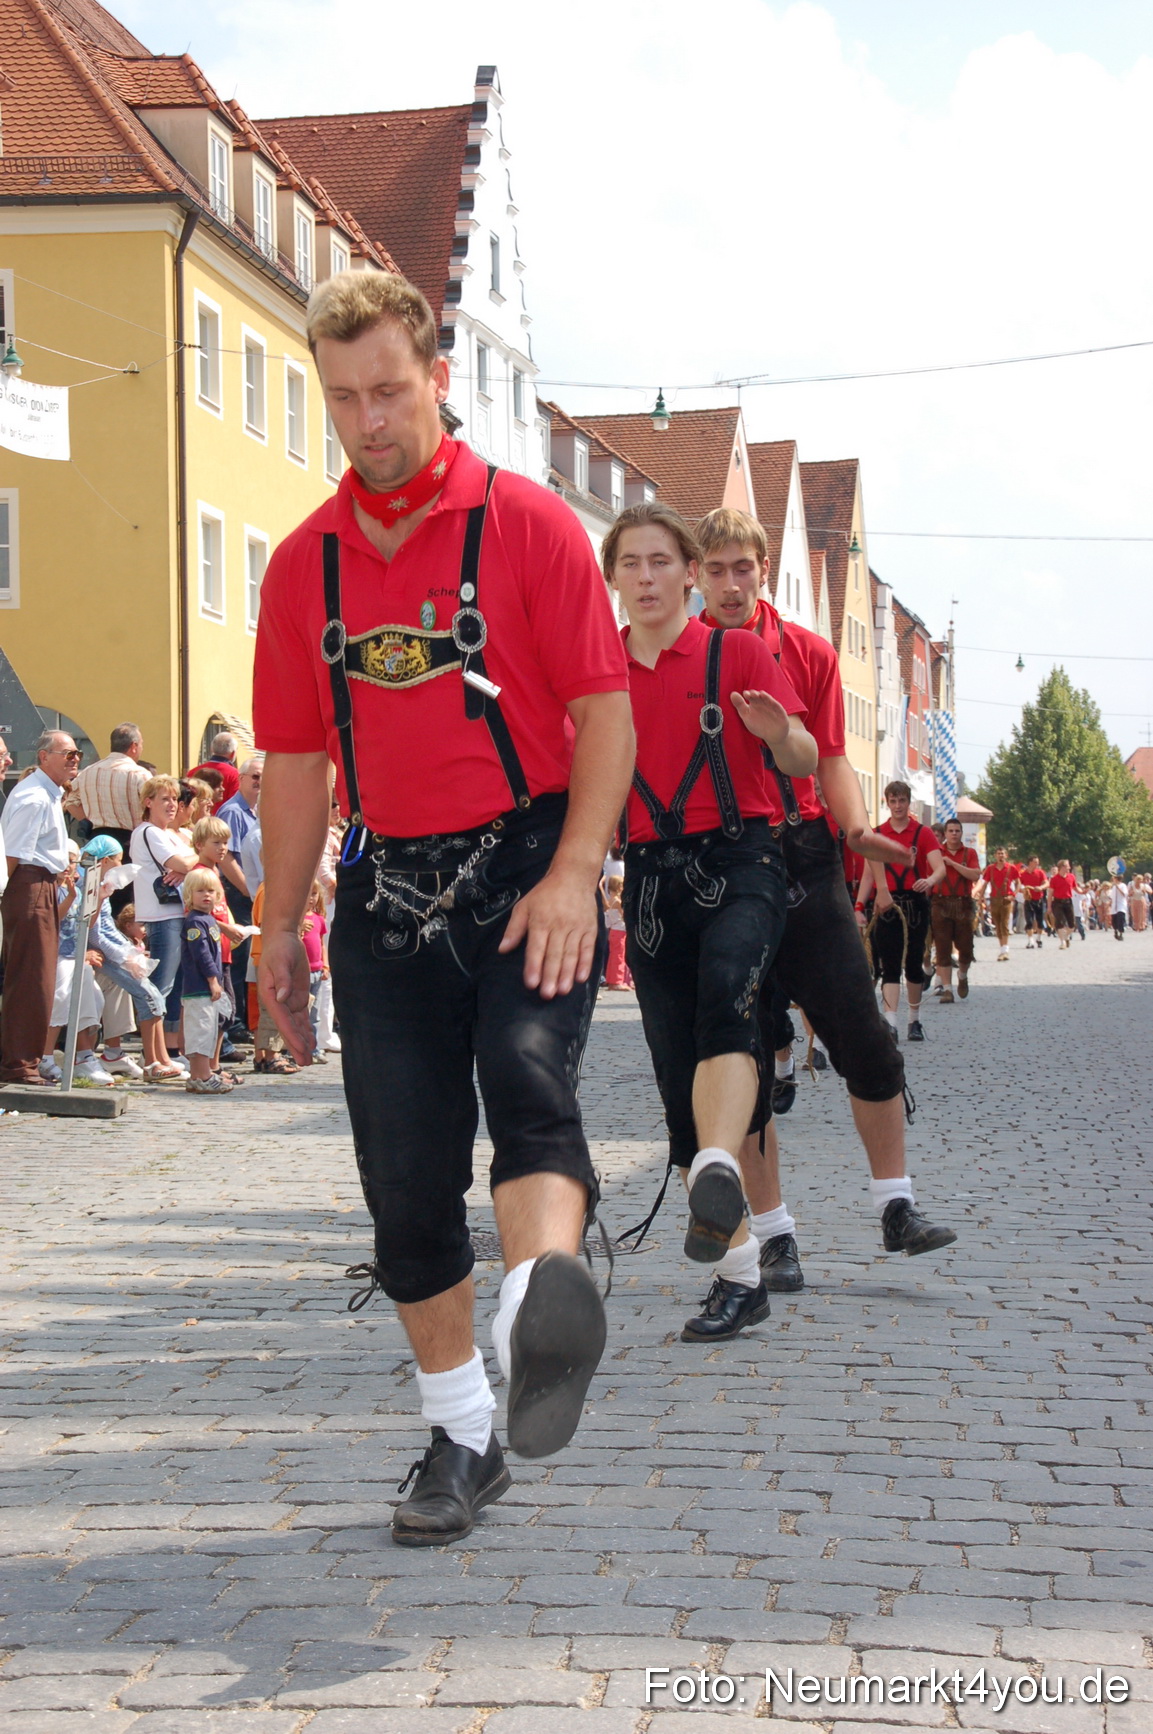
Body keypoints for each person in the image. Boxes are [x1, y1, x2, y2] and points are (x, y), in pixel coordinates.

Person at [252, 268, 634, 1545]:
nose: (368, 420)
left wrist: (577, 869)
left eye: (390, 391)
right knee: (403, 1177)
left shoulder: (527, 525)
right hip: (386, 881)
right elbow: (298, 769)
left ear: (437, 380)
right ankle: (463, 1430)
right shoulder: (300, 567)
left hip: (529, 863)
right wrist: (274, 928)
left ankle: (539, 1305)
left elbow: (606, 719)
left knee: (530, 1079)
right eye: (343, 396)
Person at [694, 509, 956, 1305]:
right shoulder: (679, 653)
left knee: (862, 1037)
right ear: (696, 574)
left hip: (803, 856)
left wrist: (855, 831)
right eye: (716, 569)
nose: (731, 584)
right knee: (744, 1060)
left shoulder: (805, 652)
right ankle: (774, 1239)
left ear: (763, 570)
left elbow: (832, 759)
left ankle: (895, 1205)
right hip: (716, 865)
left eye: (744, 567)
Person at [605, 502, 816, 1343]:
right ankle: (738, 1278)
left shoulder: (736, 649)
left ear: (689, 572)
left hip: (741, 860)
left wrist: (779, 733)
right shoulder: (596, 670)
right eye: (631, 564)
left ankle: (722, 1163)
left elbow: (801, 757)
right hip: (650, 881)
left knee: (728, 992)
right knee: (672, 1078)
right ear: (614, 578)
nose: (648, 577)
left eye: (662, 561)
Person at [0, 729, 76, 1086]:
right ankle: (19, 1063)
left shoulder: (46, 794)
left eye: (77, 754)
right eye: (67, 754)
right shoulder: (34, 797)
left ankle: (23, 1060)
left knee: (38, 978)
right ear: (44, 757)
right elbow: (12, 855)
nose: (74, 759)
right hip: (28, 888)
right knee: (32, 978)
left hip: (40, 885)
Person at [856, 783, 945, 1042]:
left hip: (915, 902)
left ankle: (914, 1020)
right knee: (889, 965)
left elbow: (939, 868)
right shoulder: (877, 834)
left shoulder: (923, 833)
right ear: (887, 802)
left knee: (914, 964)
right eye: (893, 801)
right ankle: (891, 1022)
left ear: (909, 802)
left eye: (902, 800)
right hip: (886, 904)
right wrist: (859, 906)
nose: (898, 805)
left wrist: (929, 881)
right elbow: (867, 876)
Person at [128, 776, 197, 1076]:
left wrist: (187, 865)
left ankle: (164, 1055)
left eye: (174, 800)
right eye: (164, 799)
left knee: (169, 989)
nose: (172, 805)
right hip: (161, 916)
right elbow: (188, 862)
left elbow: (193, 859)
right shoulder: (148, 832)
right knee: (158, 988)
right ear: (148, 802)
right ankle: (152, 1058)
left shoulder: (168, 834)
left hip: (175, 913)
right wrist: (186, 865)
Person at [217, 758, 263, 1029]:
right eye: (254, 776)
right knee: (239, 958)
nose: (259, 782)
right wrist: (248, 888)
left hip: (252, 893)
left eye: (263, 778)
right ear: (242, 778)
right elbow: (226, 858)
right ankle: (234, 1021)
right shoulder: (234, 811)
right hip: (238, 893)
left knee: (249, 959)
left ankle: (244, 1018)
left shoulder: (254, 811)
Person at [179, 867, 233, 1094]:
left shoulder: (208, 920)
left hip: (206, 988)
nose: (206, 895)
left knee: (208, 1030)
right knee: (200, 1031)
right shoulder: (195, 922)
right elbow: (201, 954)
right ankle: (201, 1075)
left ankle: (200, 1074)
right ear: (190, 895)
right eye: (200, 891)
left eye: (211, 890)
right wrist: (213, 979)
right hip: (199, 987)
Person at [63, 723, 149, 863]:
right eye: (141, 744)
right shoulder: (139, 774)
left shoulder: (88, 772)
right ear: (134, 746)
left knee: (99, 883)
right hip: (132, 842)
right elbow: (154, 808)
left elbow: (70, 803)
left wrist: (91, 819)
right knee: (128, 883)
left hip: (97, 841)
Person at [929, 818, 981, 1001]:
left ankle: (963, 976)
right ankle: (947, 989)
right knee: (942, 948)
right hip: (940, 903)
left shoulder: (969, 853)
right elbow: (929, 877)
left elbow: (975, 874)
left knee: (965, 948)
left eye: (957, 831)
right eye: (950, 831)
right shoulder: (935, 852)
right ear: (945, 833)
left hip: (963, 904)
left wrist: (953, 864)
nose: (954, 834)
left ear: (961, 833)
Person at [979, 847, 1020, 962]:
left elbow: (1018, 883)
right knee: (997, 924)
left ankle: (1005, 950)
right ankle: (1002, 948)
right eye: (998, 854)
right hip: (994, 899)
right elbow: (985, 883)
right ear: (995, 856)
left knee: (1004, 924)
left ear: (1006, 855)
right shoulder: (990, 869)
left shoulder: (1011, 868)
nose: (1000, 856)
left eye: (1002, 853)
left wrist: (1013, 895)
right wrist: (981, 897)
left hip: (1006, 899)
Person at [187, 732, 241, 811]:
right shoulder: (235, 774)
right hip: (222, 821)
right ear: (233, 754)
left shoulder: (192, 772)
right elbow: (236, 803)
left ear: (212, 749)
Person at [601, 874, 632, 990]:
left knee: (613, 956)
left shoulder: (610, 900)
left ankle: (612, 979)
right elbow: (624, 915)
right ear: (619, 887)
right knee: (619, 956)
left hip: (613, 930)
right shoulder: (618, 902)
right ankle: (617, 981)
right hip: (619, 931)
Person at [1048, 859, 1078, 948]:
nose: (1069, 867)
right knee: (1060, 923)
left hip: (1068, 901)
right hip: (1057, 902)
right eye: (1067, 865)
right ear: (1062, 867)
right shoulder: (1054, 879)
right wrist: (1049, 907)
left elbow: (1076, 889)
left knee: (1072, 925)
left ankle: (1066, 937)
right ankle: (1063, 942)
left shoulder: (1071, 877)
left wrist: (1084, 891)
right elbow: (1050, 894)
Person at [1019, 856, 1048, 948]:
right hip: (1028, 900)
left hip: (1039, 900)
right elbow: (1018, 885)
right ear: (1030, 863)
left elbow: (1047, 883)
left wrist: (1041, 888)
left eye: (1037, 862)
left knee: (1040, 921)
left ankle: (1039, 938)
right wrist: (1023, 889)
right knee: (1029, 921)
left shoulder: (1040, 872)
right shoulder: (1023, 874)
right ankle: (1030, 940)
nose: (1037, 864)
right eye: (1035, 862)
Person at [1110, 874, 1129, 939]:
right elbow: (1111, 896)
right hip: (1114, 906)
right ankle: (1115, 931)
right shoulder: (1113, 886)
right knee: (1114, 920)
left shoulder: (1123, 885)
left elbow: (1124, 894)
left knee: (1120, 920)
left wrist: (1118, 887)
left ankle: (1121, 933)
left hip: (1121, 905)